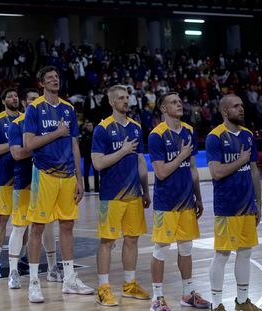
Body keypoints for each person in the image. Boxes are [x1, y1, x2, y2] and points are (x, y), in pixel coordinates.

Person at [24, 66, 94, 303]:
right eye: (50, 78)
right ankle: (34, 282)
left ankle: (69, 279)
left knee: (67, 226)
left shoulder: (68, 109)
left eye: (57, 77)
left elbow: (74, 145)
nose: (55, 80)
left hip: (67, 177)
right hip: (43, 175)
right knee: (37, 227)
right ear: (41, 83)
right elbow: (29, 144)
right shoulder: (33, 109)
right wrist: (57, 133)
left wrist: (79, 178)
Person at [148, 92, 211, 311]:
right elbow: (161, 172)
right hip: (166, 202)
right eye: (174, 102)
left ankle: (188, 294)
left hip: (187, 201)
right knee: (161, 249)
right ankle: (157, 298)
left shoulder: (189, 131)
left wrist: (199, 197)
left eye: (180, 100)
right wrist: (182, 155)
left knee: (186, 248)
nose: (179, 104)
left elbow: (193, 169)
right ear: (163, 109)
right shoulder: (156, 135)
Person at [91, 85, 151, 306]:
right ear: (111, 102)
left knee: (132, 239)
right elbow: (97, 163)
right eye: (121, 98)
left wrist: (145, 189)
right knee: (107, 241)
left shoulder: (136, 128)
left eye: (127, 97)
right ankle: (103, 288)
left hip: (134, 195)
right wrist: (123, 150)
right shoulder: (102, 129)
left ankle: (129, 285)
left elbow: (141, 161)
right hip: (111, 196)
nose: (126, 101)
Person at [206, 95, 262, 311]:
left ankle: (242, 302)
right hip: (227, 206)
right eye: (236, 106)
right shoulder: (215, 137)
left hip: (247, 205)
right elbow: (216, 172)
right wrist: (240, 160)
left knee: (245, 252)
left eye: (242, 105)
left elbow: (254, 171)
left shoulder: (248, 135)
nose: (241, 109)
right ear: (224, 111)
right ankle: (216, 304)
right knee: (222, 254)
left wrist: (258, 202)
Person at [7, 88, 62, 288]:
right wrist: (42, 145)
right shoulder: (16, 125)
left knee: (47, 225)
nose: (34, 102)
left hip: (46, 181)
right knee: (19, 226)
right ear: (24, 103)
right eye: (31, 99)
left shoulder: (47, 125)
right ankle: (13, 271)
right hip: (24, 182)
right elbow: (17, 154)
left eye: (36, 99)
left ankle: (53, 268)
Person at [0, 89, 21, 278]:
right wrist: (15, 144)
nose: (14, 98)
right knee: (2, 219)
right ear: (3, 101)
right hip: (6, 177)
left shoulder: (25, 118)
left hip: (24, 178)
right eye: (9, 96)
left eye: (15, 96)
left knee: (23, 221)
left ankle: (20, 258)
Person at [80, 120, 99, 193]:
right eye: (88, 126)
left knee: (96, 173)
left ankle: (97, 188)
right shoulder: (84, 135)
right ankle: (87, 188)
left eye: (90, 125)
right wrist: (82, 153)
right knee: (86, 173)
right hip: (87, 156)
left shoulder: (96, 134)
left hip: (94, 156)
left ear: (93, 126)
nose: (89, 127)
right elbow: (81, 145)